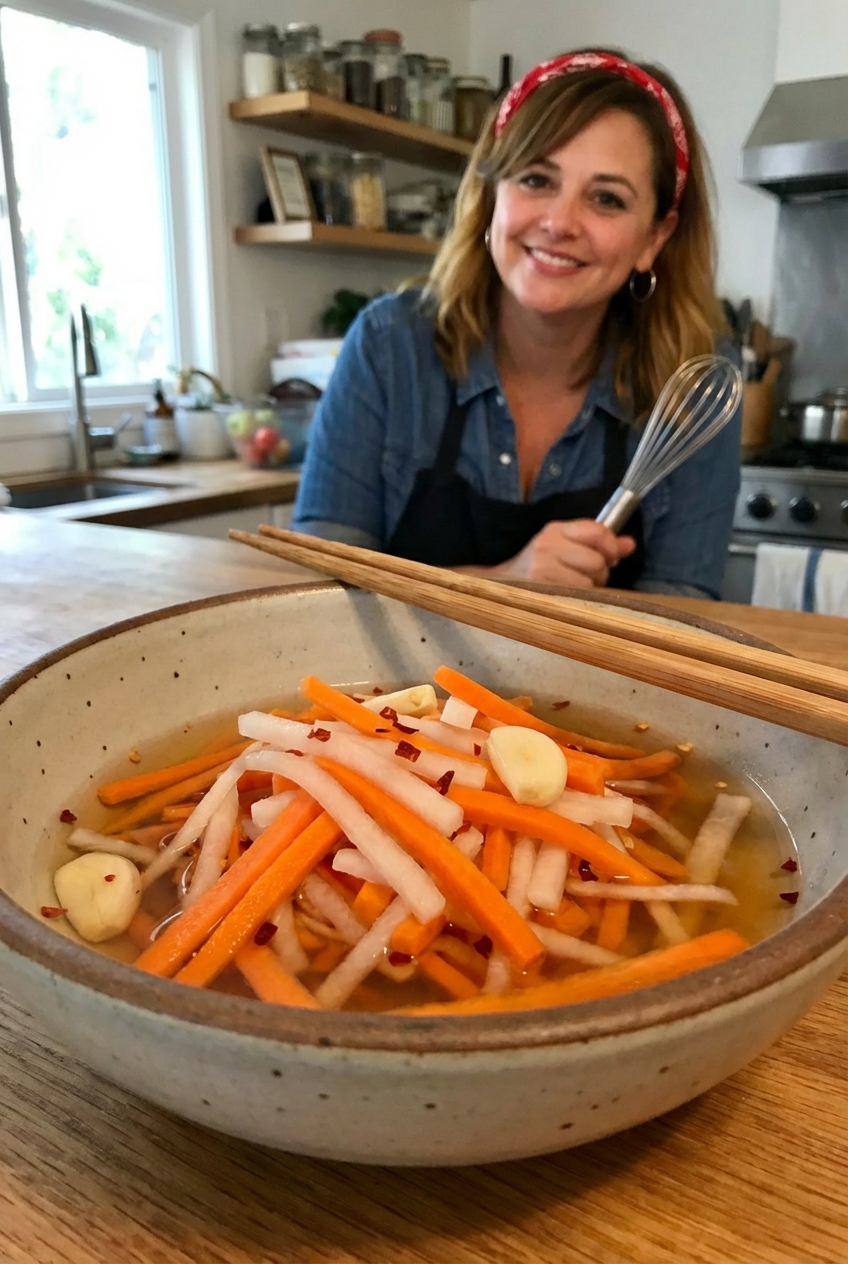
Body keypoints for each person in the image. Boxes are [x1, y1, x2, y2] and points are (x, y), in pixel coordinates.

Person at [292, 48, 741, 597]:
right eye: (536, 179)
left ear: (655, 238)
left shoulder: (690, 385)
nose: (558, 222)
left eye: (606, 198)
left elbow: (685, 610)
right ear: (491, 198)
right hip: (396, 687)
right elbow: (318, 597)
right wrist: (506, 583)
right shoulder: (389, 346)